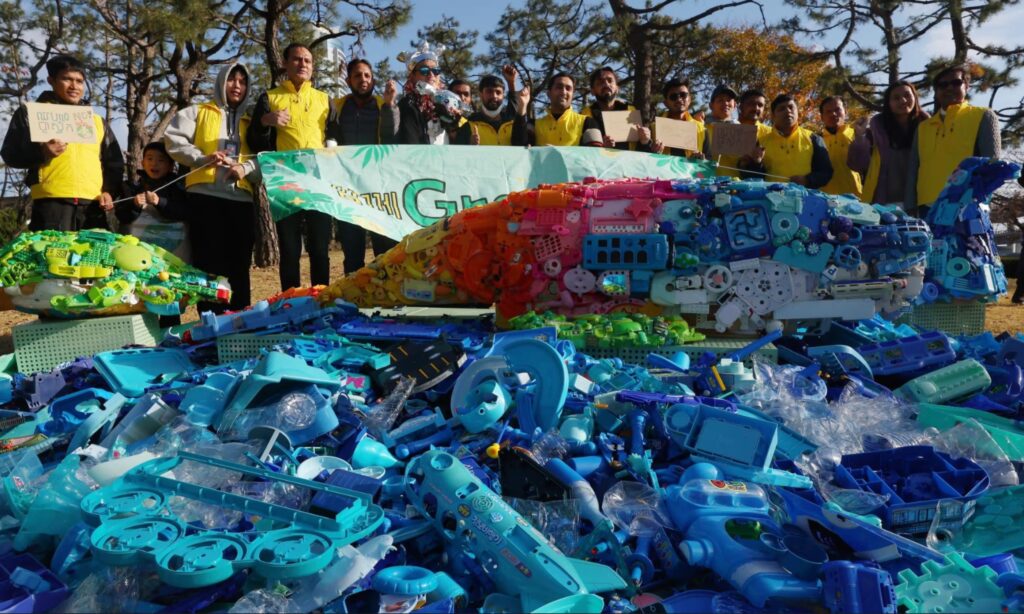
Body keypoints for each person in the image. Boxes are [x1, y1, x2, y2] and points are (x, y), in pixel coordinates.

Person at [166, 62, 258, 313]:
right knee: (207, 264)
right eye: (231, 79)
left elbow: (265, 158)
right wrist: (201, 157)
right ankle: (210, 323)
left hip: (241, 201)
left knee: (239, 267)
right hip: (203, 200)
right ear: (221, 81)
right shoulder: (198, 111)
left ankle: (240, 321)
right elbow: (173, 139)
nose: (237, 86)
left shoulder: (252, 121)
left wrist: (245, 169)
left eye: (242, 81)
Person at [1, 54, 124, 231]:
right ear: (51, 80)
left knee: (92, 258)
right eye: (67, 79)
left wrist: (109, 191)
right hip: (50, 204)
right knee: (53, 258)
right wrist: (42, 152)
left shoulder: (97, 121)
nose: (74, 86)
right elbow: (10, 154)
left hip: (92, 206)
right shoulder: (31, 113)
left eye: (79, 81)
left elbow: (115, 163)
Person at [248, 42, 332, 291]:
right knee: (290, 249)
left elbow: (336, 135)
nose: (302, 64)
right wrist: (265, 120)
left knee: (319, 247)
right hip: (285, 180)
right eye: (296, 59)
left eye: (307, 60)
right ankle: (291, 301)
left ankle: (321, 298)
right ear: (285, 64)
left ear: (313, 67)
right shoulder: (270, 97)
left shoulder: (325, 100)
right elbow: (254, 139)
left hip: (318, 181)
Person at [325, 58, 400, 274]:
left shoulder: (382, 104)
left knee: (385, 251)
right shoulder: (337, 106)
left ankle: (386, 298)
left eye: (367, 75)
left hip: (379, 188)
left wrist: (389, 106)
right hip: (348, 189)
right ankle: (352, 301)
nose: (363, 79)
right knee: (352, 251)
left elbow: (391, 138)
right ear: (349, 81)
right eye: (357, 76)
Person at [906, 64, 1002, 213]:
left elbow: (993, 164)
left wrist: (979, 200)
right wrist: (910, 207)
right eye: (942, 85)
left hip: (967, 205)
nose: (949, 88)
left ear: (967, 86)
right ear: (936, 91)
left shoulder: (983, 115)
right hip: (927, 208)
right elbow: (913, 169)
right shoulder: (923, 127)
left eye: (956, 83)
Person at [847, 80, 929, 206]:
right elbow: (857, 165)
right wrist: (860, 136)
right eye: (896, 98)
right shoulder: (876, 131)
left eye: (907, 95)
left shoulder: (930, 128)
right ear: (888, 103)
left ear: (915, 97)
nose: (903, 101)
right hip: (885, 203)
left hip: (922, 201)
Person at [740, 94, 833, 189]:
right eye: (781, 109)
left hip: (805, 199)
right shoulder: (760, 142)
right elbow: (750, 178)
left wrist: (807, 180)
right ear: (773, 116)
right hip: (770, 199)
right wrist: (756, 163)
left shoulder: (813, 138)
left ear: (798, 112)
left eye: (791, 107)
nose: (788, 111)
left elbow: (826, 173)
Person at [116, 142, 188, 257]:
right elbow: (122, 217)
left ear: (171, 165)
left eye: (161, 160)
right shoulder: (131, 187)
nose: (154, 164)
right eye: (149, 159)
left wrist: (160, 202)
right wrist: (135, 205)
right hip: (136, 254)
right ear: (142, 163)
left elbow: (185, 212)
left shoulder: (179, 188)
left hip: (171, 254)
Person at [396, 42, 473, 145]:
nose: (431, 75)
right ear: (412, 76)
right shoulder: (408, 105)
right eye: (424, 70)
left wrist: (455, 125)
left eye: (436, 70)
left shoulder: (448, 102)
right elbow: (411, 145)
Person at [510, 73, 600, 146]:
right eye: (559, 87)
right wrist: (522, 106)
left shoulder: (588, 122)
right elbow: (519, 146)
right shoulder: (534, 124)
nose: (564, 92)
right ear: (549, 93)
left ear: (572, 94)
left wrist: (556, 153)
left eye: (568, 88)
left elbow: (594, 157)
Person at [582, 66, 650, 150]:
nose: (606, 84)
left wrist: (645, 141)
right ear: (592, 91)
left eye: (610, 81)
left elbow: (642, 150)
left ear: (617, 88)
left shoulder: (631, 111)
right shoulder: (585, 116)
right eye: (600, 82)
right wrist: (601, 147)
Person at [818, 96, 863, 198]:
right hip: (825, 199)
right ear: (822, 117)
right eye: (828, 112)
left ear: (845, 111)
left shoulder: (857, 135)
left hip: (855, 199)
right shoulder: (816, 141)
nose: (833, 114)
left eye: (837, 109)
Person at [465, 66, 521, 146]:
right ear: (480, 94)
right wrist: (469, 146)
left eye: (498, 92)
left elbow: (515, 105)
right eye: (489, 91)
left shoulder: (511, 123)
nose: (494, 96)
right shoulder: (469, 124)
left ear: (503, 96)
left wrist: (511, 82)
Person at [650, 78, 703, 158]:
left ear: (689, 99)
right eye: (673, 96)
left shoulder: (701, 129)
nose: (679, 99)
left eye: (683, 95)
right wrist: (652, 152)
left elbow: (709, 158)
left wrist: (700, 159)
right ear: (666, 103)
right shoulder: (653, 128)